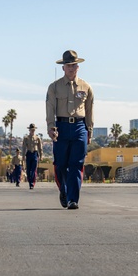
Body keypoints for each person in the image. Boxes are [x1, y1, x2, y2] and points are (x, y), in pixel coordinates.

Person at [46, 50, 94, 210]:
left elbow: (89, 110)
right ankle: (64, 191)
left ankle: (74, 199)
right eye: (68, 65)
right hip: (61, 127)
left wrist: (89, 130)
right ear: (63, 67)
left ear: (78, 66)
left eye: (74, 65)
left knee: (76, 164)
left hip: (80, 127)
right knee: (60, 164)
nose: (71, 68)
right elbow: (50, 108)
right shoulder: (54, 87)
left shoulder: (86, 87)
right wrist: (51, 127)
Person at [22, 124, 41, 189]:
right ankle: (30, 181)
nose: (33, 130)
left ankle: (32, 183)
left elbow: (40, 148)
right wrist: (23, 156)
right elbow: (24, 147)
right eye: (31, 129)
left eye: (33, 129)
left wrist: (41, 155)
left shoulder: (37, 138)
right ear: (29, 130)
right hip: (29, 154)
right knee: (28, 170)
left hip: (35, 154)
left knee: (33, 169)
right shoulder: (26, 138)